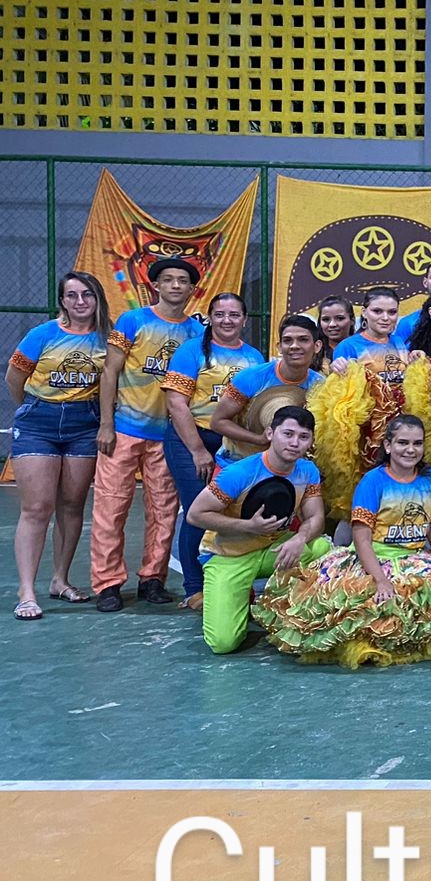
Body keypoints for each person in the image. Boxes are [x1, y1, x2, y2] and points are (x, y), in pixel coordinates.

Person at [254, 414, 431, 667]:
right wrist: (381, 580)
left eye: (417, 443)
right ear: (388, 446)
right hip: (375, 560)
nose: (410, 449)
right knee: (378, 610)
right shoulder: (372, 481)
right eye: (403, 442)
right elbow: (362, 540)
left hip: (415, 559)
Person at [90, 255, 202, 612]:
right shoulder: (133, 321)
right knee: (110, 507)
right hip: (124, 429)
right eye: (168, 279)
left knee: (165, 510)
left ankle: (152, 578)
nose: (175, 285)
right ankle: (108, 583)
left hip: (168, 436)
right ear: (155, 285)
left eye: (182, 280)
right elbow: (109, 372)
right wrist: (106, 424)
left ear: (192, 288)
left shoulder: (197, 333)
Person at [7, 271, 109, 619]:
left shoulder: (107, 339)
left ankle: (60, 580)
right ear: (62, 300)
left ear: (97, 298)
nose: (80, 301)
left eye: (87, 294)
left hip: (85, 424)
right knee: (37, 507)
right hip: (39, 422)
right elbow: (15, 377)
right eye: (72, 295)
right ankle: (26, 591)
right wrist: (33, 410)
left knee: (72, 505)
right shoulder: (43, 334)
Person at [186, 405, 327, 654]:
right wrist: (247, 526)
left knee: (322, 548)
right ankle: (229, 599)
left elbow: (316, 517)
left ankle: (289, 607)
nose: (295, 443)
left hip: (273, 550)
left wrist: (299, 539)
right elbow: (195, 515)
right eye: (288, 434)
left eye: (303, 437)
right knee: (223, 644)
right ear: (270, 433)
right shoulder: (239, 473)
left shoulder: (307, 471)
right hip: (229, 554)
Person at [160, 293, 265, 608]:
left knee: (232, 510)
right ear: (210, 318)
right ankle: (194, 588)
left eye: (234, 315)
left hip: (234, 444)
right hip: (191, 439)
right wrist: (197, 450)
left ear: (244, 320)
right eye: (220, 314)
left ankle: (229, 581)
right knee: (199, 509)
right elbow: (176, 404)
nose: (227, 320)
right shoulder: (191, 351)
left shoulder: (254, 357)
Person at [208, 315, 325, 467]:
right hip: (235, 465)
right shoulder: (251, 377)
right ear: (279, 347)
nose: (294, 346)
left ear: (317, 346)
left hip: (290, 470)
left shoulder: (321, 386)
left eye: (303, 340)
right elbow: (217, 422)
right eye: (287, 340)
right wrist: (259, 439)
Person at [331, 287, 408, 384]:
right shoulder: (348, 346)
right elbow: (340, 388)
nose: (385, 318)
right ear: (364, 312)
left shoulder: (398, 341)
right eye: (377, 311)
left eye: (392, 312)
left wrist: (416, 356)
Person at [315, 297, 356, 371]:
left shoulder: (363, 350)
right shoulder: (313, 352)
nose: (332, 324)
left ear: (352, 320)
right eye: (326, 319)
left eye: (340, 318)